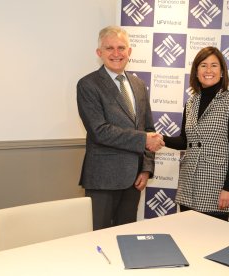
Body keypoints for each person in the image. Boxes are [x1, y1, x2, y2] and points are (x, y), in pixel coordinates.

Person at [77, 26, 164, 230]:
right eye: (109, 48)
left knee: (126, 238)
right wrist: (143, 140)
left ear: (129, 52)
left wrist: (146, 168)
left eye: (121, 48)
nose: (116, 54)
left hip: (134, 180)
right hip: (102, 180)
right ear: (99, 53)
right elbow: (99, 130)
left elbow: (148, 127)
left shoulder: (139, 85)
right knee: (97, 238)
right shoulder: (88, 85)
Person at [163, 46, 229, 221]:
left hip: (215, 187)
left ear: (222, 71)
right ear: (196, 72)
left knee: (212, 241)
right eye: (203, 65)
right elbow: (185, 141)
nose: (208, 70)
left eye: (214, 65)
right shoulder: (191, 103)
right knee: (187, 239)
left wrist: (228, 188)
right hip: (188, 184)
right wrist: (161, 139)